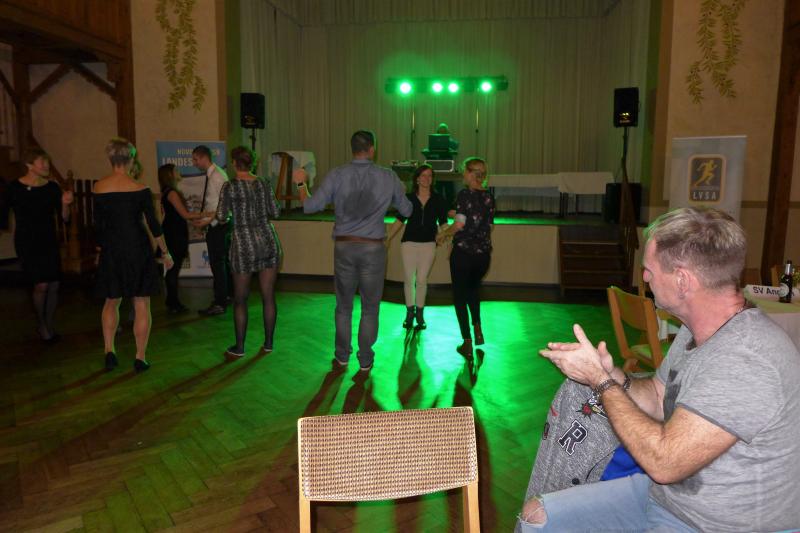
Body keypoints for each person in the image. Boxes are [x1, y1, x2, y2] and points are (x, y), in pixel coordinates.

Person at [520, 207, 800, 532]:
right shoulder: (698, 329)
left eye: (649, 269)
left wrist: (600, 383)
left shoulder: (746, 359)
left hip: (717, 524)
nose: (645, 278)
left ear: (682, 280)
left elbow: (664, 462)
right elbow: (657, 395)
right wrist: (611, 375)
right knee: (538, 516)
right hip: (668, 498)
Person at [292, 130, 412, 373]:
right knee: (370, 308)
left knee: (344, 306)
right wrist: (397, 192)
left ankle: (342, 355)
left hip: (344, 247)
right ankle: (365, 358)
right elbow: (407, 210)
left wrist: (301, 183)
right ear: (372, 149)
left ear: (352, 149)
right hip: (373, 249)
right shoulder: (387, 176)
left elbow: (310, 206)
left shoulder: (337, 174)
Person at [94, 138, 174, 373]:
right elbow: (154, 225)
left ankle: (109, 351)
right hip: (137, 248)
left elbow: (98, 226)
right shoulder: (140, 189)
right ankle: (140, 357)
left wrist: (101, 250)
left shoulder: (99, 187)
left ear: (110, 159)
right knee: (141, 302)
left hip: (112, 249)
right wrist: (165, 252)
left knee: (111, 300)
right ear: (130, 160)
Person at [214, 146, 281, 358]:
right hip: (268, 240)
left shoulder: (230, 186)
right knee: (268, 296)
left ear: (235, 163)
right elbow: (275, 211)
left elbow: (221, 216)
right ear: (252, 163)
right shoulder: (263, 183)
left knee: (240, 299)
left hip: (243, 244)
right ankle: (268, 343)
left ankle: (240, 347)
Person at [1, 147, 73, 342]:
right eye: (43, 162)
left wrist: (65, 204)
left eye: (47, 162)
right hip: (27, 241)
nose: (47, 166)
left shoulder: (52, 188)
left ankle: (49, 323)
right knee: (41, 285)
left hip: (48, 239)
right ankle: (41, 324)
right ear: (29, 165)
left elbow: (65, 219)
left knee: (54, 284)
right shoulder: (14, 188)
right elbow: (3, 214)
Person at [436, 157, 494, 357]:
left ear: (470, 173)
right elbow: (489, 225)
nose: (462, 175)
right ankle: (477, 326)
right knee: (473, 290)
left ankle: (467, 342)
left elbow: (459, 224)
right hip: (483, 256)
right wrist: (461, 214)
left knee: (460, 297)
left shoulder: (464, 194)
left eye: (464, 171)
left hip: (463, 255)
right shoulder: (489, 196)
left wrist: (444, 234)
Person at [386, 163, 449, 329]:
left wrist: (448, 237)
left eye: (429, 176)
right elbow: (399, 220)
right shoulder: (408, 198)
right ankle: (409, 313)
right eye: (423, 175)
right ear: (417, 179)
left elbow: (443, 223)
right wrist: (388, 238)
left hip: (429, 244)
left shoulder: (438, 199)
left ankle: (420, 314)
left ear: (432, 179)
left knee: (421, 279)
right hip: (409, 243)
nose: (426, 179)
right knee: (409, 278)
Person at [157, 163, 205, 314]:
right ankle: (173, 303)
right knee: (173, 269)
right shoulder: (171, 193)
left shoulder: (167, 191)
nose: (179, 172)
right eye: (175, 170)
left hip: (172, 231)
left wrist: (197, 221)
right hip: (174, 234)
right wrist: (207, 214)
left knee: (172, 269)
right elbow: (185, 214)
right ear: (169, 175)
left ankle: (171, 301)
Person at [191, 145, 230, 316]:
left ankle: (220, 302)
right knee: (219, 264)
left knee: (217, 264)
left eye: (195, 159)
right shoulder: (213, 174)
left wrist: (205, 222)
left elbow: (224, 205)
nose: (194, 163)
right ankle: (224, 297)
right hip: (215, 224)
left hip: (219, 226)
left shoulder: (216, 176)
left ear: (203, 157)